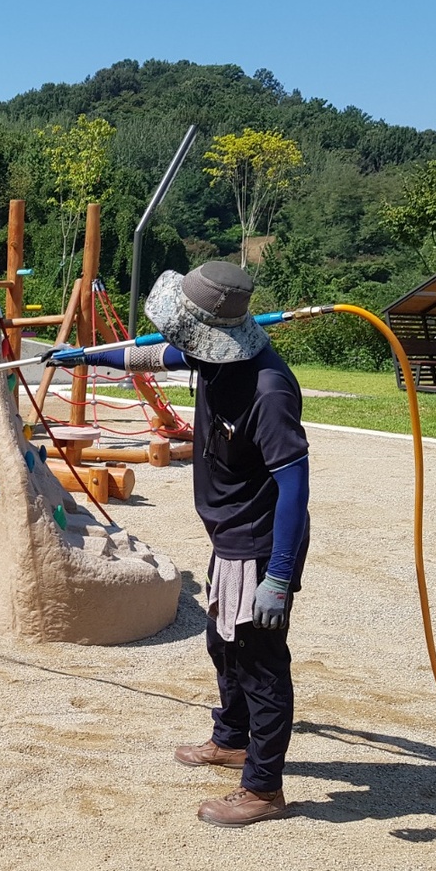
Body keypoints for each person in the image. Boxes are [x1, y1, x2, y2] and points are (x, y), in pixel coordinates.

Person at [58, 261, 309, 827]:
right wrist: (88, 358)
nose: (181, 343)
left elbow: (295, 484)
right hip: (230, 537)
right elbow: (156, 355)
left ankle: (264, 789)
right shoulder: (214, 356)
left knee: (260, 662)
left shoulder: (268, 390)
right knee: (224, 646)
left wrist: (277, 577)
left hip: (262, 544)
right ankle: (231, 738)